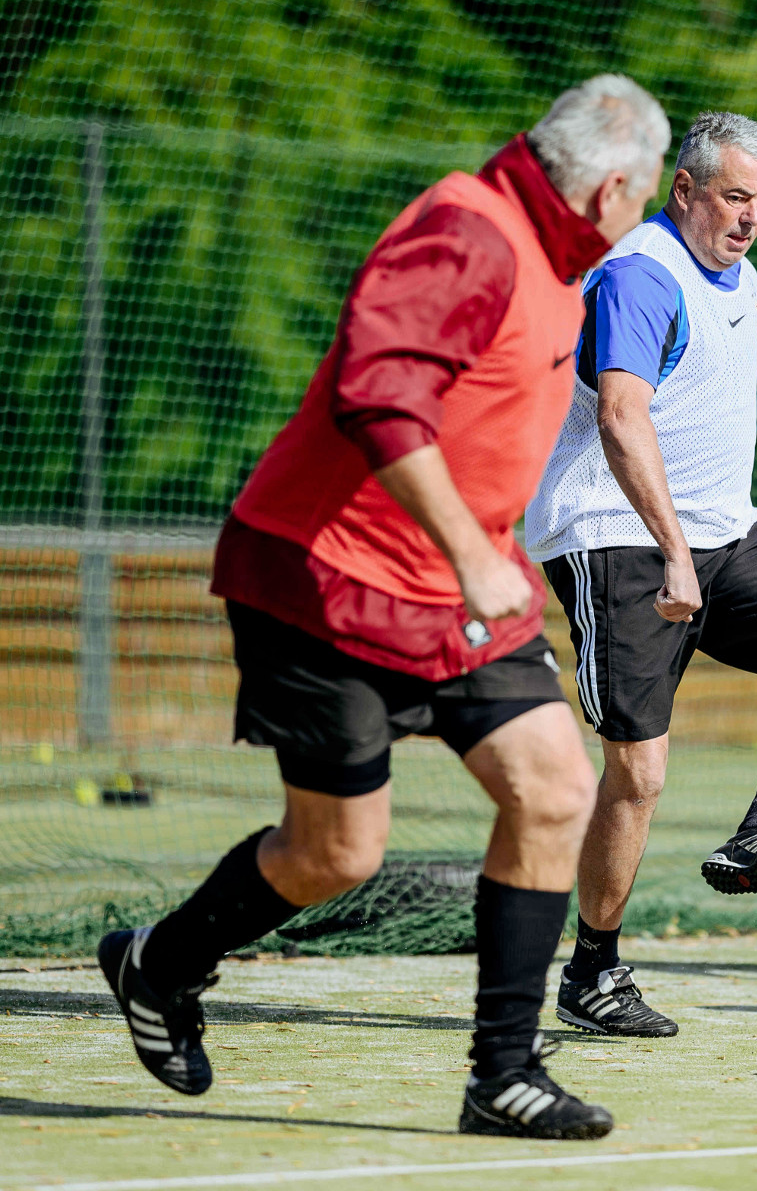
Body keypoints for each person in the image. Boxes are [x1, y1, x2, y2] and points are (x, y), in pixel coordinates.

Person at [95, 76, 670, 1139]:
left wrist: (474, 554)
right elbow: (378, 393)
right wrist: (469, 551)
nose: (639, 222)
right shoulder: (469, 233)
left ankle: (502, 1076)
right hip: (326, 582)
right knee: (335, 856)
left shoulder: (565, 258)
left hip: (456, 588)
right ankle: (155, 965)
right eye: (641, 204)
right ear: (612, 189)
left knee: (553, 792)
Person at [521, 112, 757, 1038]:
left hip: (726, 534)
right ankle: (594, 973)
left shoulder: (744, 274)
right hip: (617, 537)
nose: (749, 218)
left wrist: (703, 541)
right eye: (734, 196)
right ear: (682, 189)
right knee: (639, 777)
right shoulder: (641, 277)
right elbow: (620, 414)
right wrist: (675, 551)